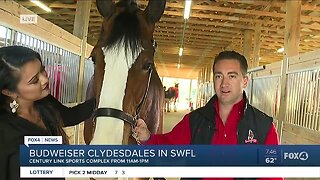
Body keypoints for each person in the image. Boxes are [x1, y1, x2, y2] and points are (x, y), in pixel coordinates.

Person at [135, 51, 281, 180]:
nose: (224, 83)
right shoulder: (194, 121)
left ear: (244, 81)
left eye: (232, 76)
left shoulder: (264, 127)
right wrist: (147, 137)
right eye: (219, 76)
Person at [0, 46, 96, 180]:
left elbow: (71, 116)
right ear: (9, 92)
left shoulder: (45, 103)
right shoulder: (5, 133)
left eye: (42, 70)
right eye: (34, 80)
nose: (45, 79)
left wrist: (105, 100)